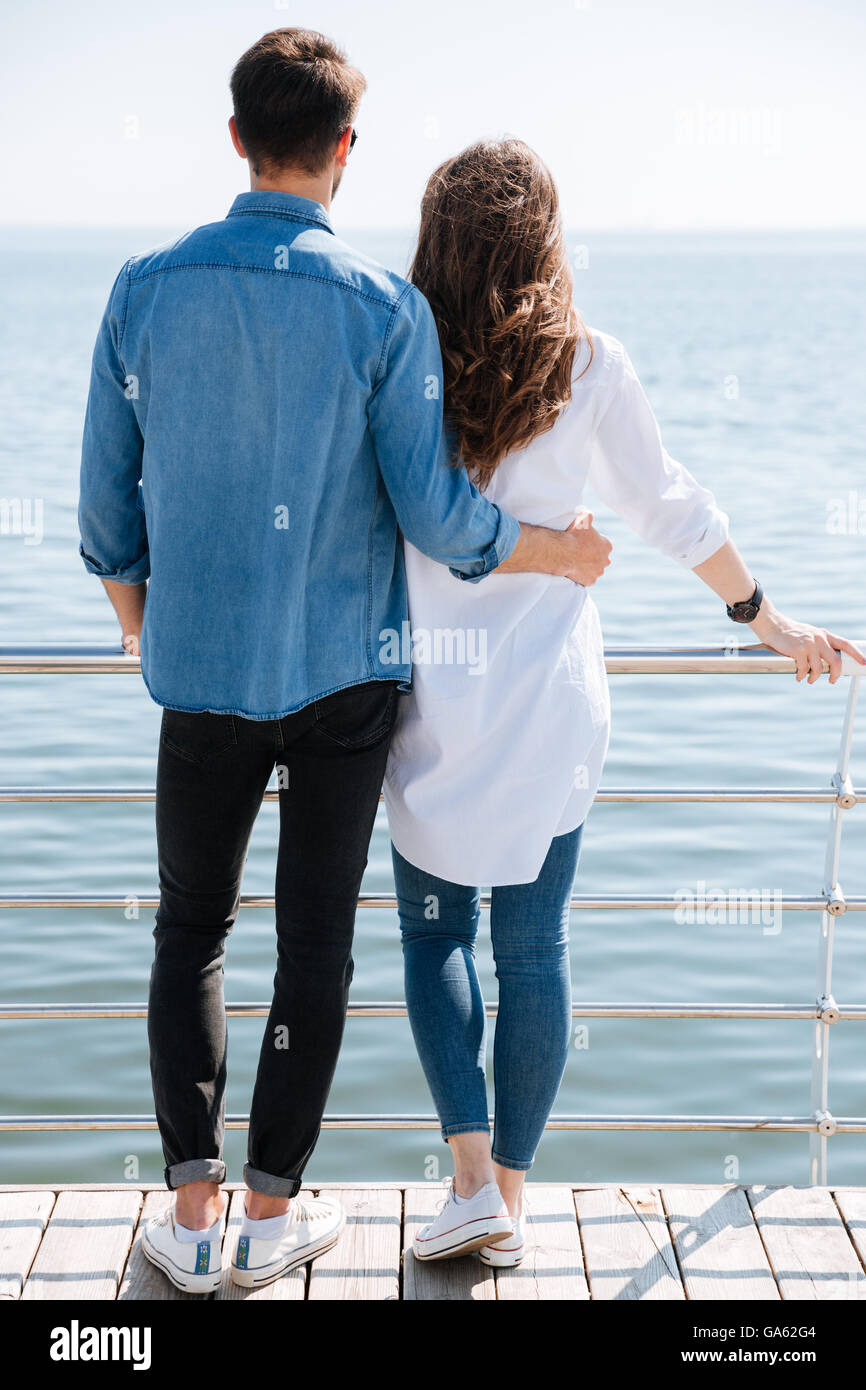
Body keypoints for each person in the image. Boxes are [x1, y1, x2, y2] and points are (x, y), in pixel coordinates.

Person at [76, 35, 610, 1293]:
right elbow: (438, 518)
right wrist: (560, 550)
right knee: (315, 943)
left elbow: (105, 517)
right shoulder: (384, 309)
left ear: (234, 137)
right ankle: (272, 1214)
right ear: (344, 153)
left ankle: (192, 1215)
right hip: (345, 685)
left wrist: (139, 622)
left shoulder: (141, 288)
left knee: (188, 933)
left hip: (197, 677)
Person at [383, 137, 866, 1266]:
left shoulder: (399, 355)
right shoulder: (588, 364)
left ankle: (467, 1187)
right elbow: (669, 507)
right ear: (543, 240)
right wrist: (764, 616)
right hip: (551, 706)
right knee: (534, 949)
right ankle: (507, 1192)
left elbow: (388, 516)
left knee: (432, 935)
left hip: (429, 697)